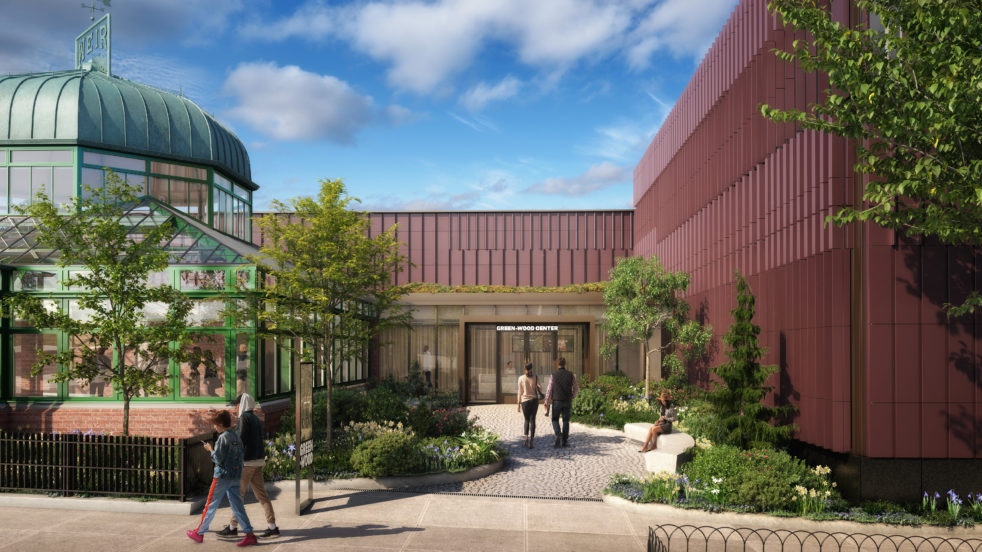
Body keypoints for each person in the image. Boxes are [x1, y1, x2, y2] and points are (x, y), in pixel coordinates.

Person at [186, 410, 258, 547]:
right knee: (238, 507)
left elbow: (218, 458)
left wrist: (210, 450)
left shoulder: (223, 438)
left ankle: (199, 533)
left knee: (210, 505)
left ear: (220, 423)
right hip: (236, 477)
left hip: (222, 477)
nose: (214, 427)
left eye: (215, 424)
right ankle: (250, 534)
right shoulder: (236, 437)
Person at [217, 393, 279, 539]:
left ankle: (232, 527)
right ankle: (272, 526)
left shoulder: (244, 418)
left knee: (237, 495)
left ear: (242, 403)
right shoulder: (256, 418)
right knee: (262, 495)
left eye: (237, 404)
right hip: (258, 462)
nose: (236, 407)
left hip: (247, 463)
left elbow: (240, 440)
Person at [543, 357, 578, 448]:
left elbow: (549, 388)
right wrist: (572, 396)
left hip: (557, 400)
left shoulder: (553, 375)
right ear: (565, 364)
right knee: (566, 421)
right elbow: (576, 388)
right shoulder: (571, 375)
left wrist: (546, 400)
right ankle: (565, 441)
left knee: (555, 419)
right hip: (567, 400)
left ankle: (558, 434)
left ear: (557, 364)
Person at [516, 362, 541, 448]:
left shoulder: (521, 378)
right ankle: (531, 441)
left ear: (524, 369)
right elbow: (540, 388)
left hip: (525, 401)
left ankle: (526, 438)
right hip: (534, 400)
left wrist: (518, 404)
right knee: (533, 420)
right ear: (531, 369)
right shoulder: (536, 377)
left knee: (526, 419)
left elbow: (520, 392)